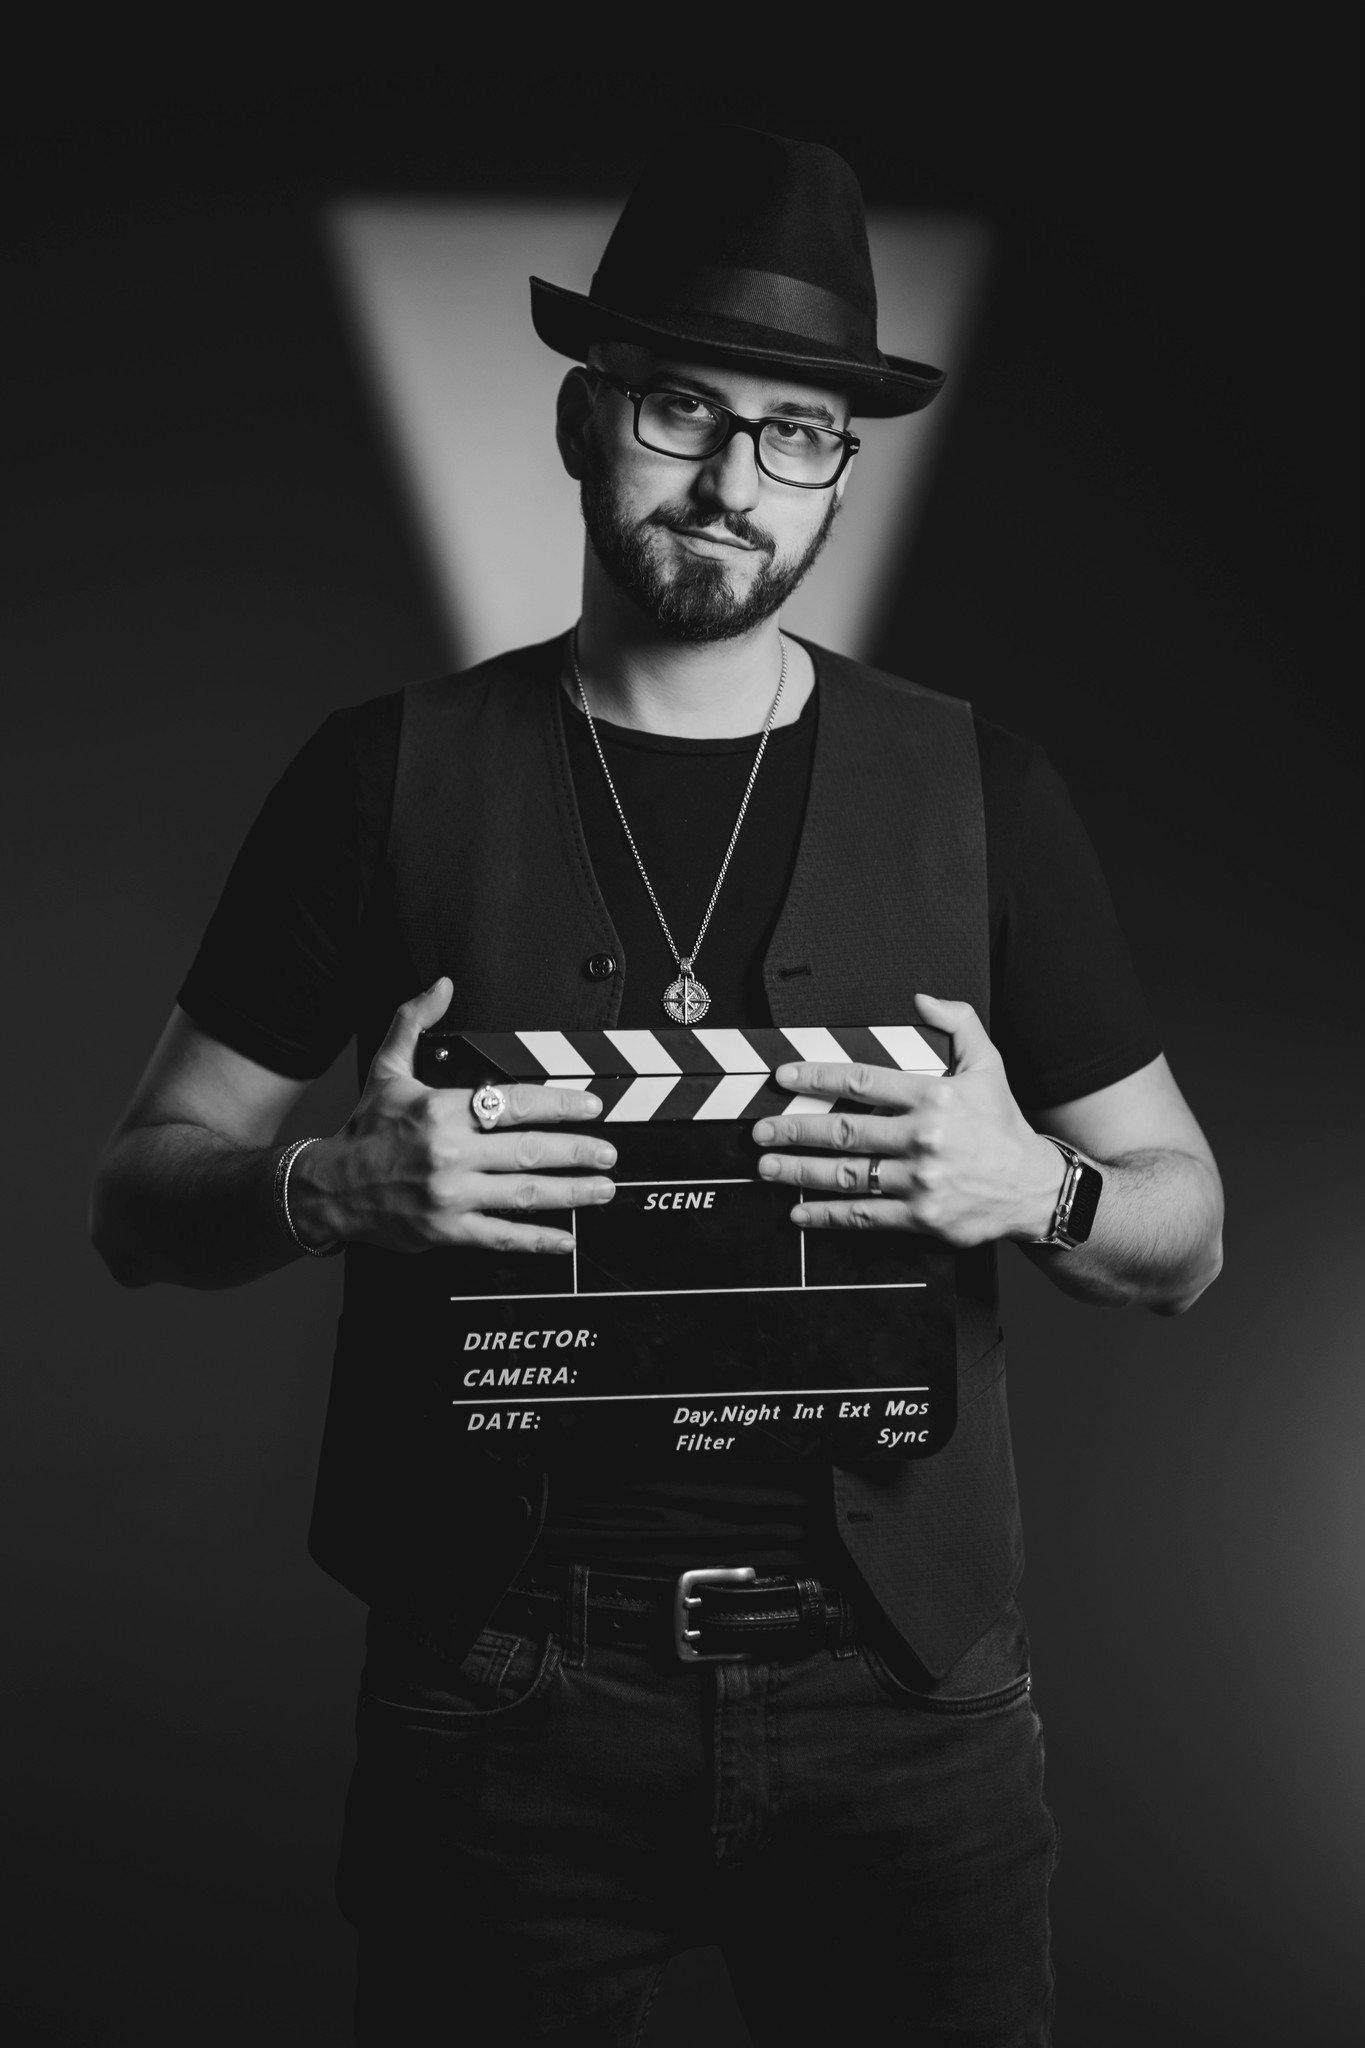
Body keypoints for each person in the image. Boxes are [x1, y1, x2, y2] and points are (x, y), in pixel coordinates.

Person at [90, 127, 1223, 2046]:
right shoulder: (381, 776)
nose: (726, 480)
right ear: (579, 419)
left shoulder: (981, 793)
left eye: (792, 433)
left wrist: (1034, 1188)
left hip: (908, 1701)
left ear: (841, 472)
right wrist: (324, 1190)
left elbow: (1185, 1232)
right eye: (680, 408)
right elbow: (136, 1195)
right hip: (506, 1693)